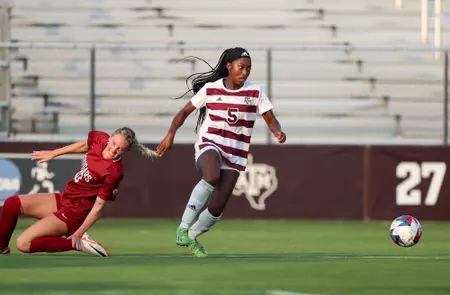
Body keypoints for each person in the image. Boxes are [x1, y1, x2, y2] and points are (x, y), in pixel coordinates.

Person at [156, 47, 286, 257]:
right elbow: (184, 112)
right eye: (240, 67)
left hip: (236, 152)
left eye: (248, 69)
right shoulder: (211, 89)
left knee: (217, 207)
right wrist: (170, 135)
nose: (244, 72)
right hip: (210, 143)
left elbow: (271, 119)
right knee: (212, 175)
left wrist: (277, 131)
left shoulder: (255, 92)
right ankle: (183, 226)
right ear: (229, 66)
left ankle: (191, 237)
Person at [0, 127, 157, 256]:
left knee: (23, 244)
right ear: (109, 137)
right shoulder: (100, 139)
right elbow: (83, 145)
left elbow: (98, 208)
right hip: (65, 199)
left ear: (125, 152)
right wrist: (53, 153)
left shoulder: (113, 172)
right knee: (12, 204)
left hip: (74, 213)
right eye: (114, 143)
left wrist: (78, 233)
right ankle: (2, 248)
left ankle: (77, 244)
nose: (114, 149)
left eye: (120, 149)